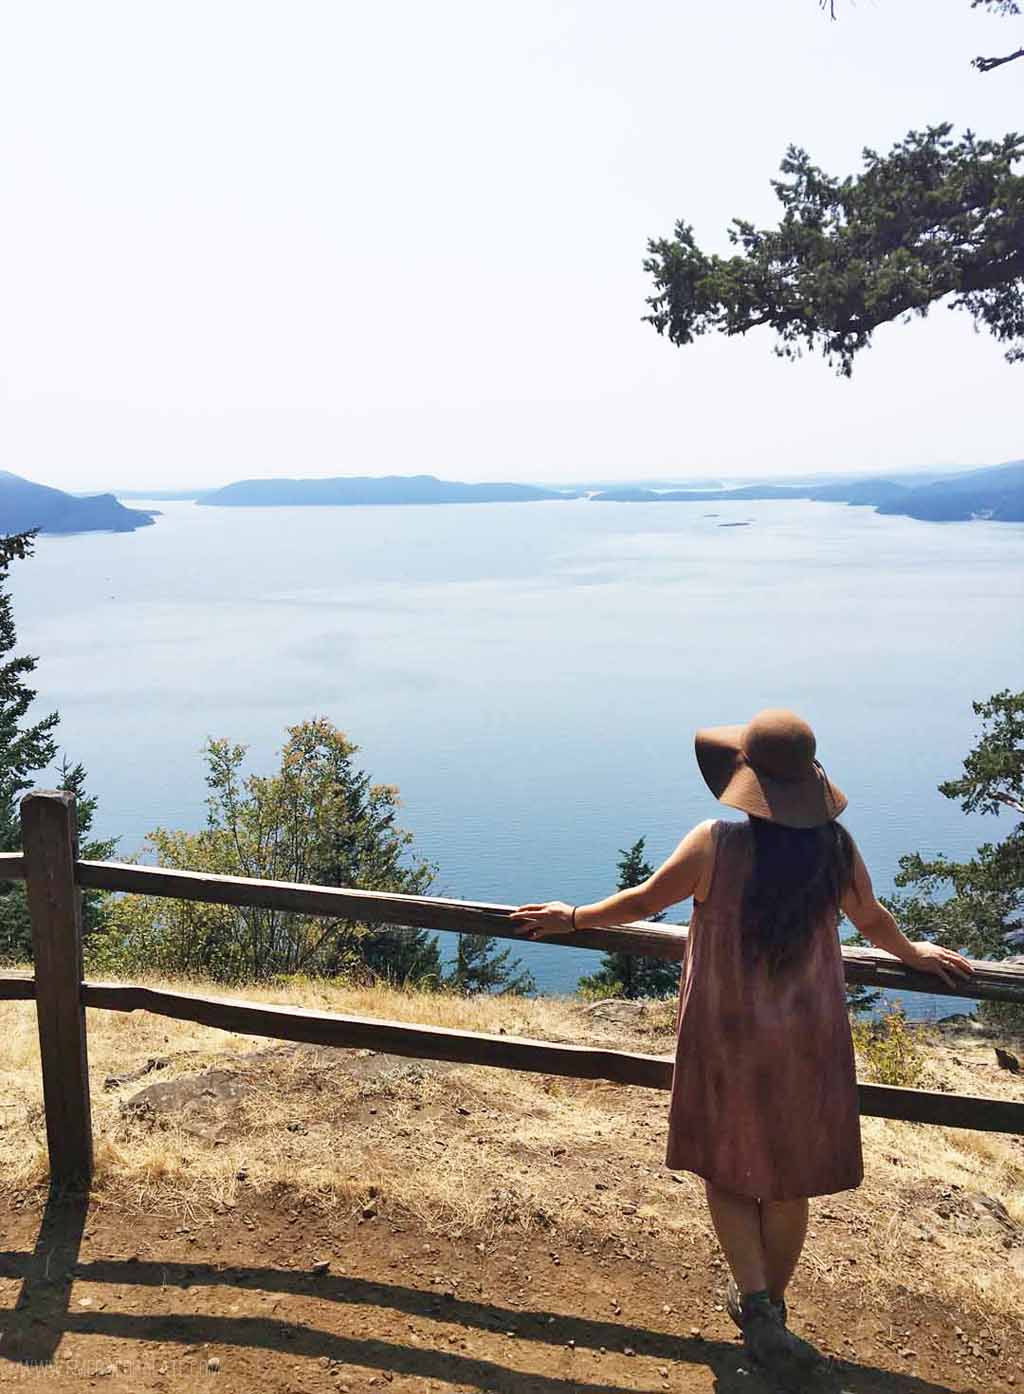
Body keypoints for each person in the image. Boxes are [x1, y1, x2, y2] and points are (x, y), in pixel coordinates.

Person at [511, 708, 973, 1381]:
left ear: (747, 783)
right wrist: (915, 953)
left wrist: (573, 917)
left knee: (727, 1168)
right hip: (807, 1037)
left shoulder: (715, 845)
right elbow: (871, 919)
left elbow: (644, 901)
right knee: (789, 1181)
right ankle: (769, 1312)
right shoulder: (834, 851)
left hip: (725, 1035)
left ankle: (756, 1306)